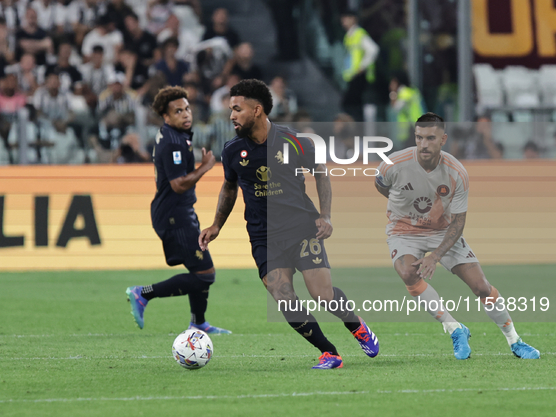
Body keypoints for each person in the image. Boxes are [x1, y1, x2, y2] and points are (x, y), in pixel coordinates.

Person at [198, 79, 379, 369]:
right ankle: (329, 352)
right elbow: (229, 187)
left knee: (322, 294)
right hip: (263, 236)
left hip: (301, 228)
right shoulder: (232, 150)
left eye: (237, 109)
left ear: (257, 110)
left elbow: (321, 174)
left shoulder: (295, 141)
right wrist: (217, 224)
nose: (231, 115)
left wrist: (326, 215)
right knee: (283, 296)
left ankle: (357, 326)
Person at [374, 112, 540, 360]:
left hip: (443, 230)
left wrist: (436, 256)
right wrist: (400, 206)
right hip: (404, 230)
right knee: (408, 273)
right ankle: (454, 328)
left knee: (481, 287)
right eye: (419, 138)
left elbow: (459, 221)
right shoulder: (393, 164)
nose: (423, 144)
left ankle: (515, 341)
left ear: (443, 139)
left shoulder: (456, 173)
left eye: (431, 138)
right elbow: (380, 183)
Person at [126, 85, 231, 335]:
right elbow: (178, 184)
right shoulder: (174, 142)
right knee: (205, 274)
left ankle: (198, 322)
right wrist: (205, 167)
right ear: (166, 116)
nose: (186, 114)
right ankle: (143, 294)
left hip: (178, 212)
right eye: (178, 111)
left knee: (199, 270)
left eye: (187, 109)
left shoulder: (174, 136)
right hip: (174, 214)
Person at [340, 9, 379, 122]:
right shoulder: (349, 36)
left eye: (346, 17)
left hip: (360, 76)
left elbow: (373, 50)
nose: (343, 20)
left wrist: (362, 66)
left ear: (354, 19)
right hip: (353, 76)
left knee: (351, 105)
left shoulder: (359, 34)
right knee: (352, 105)